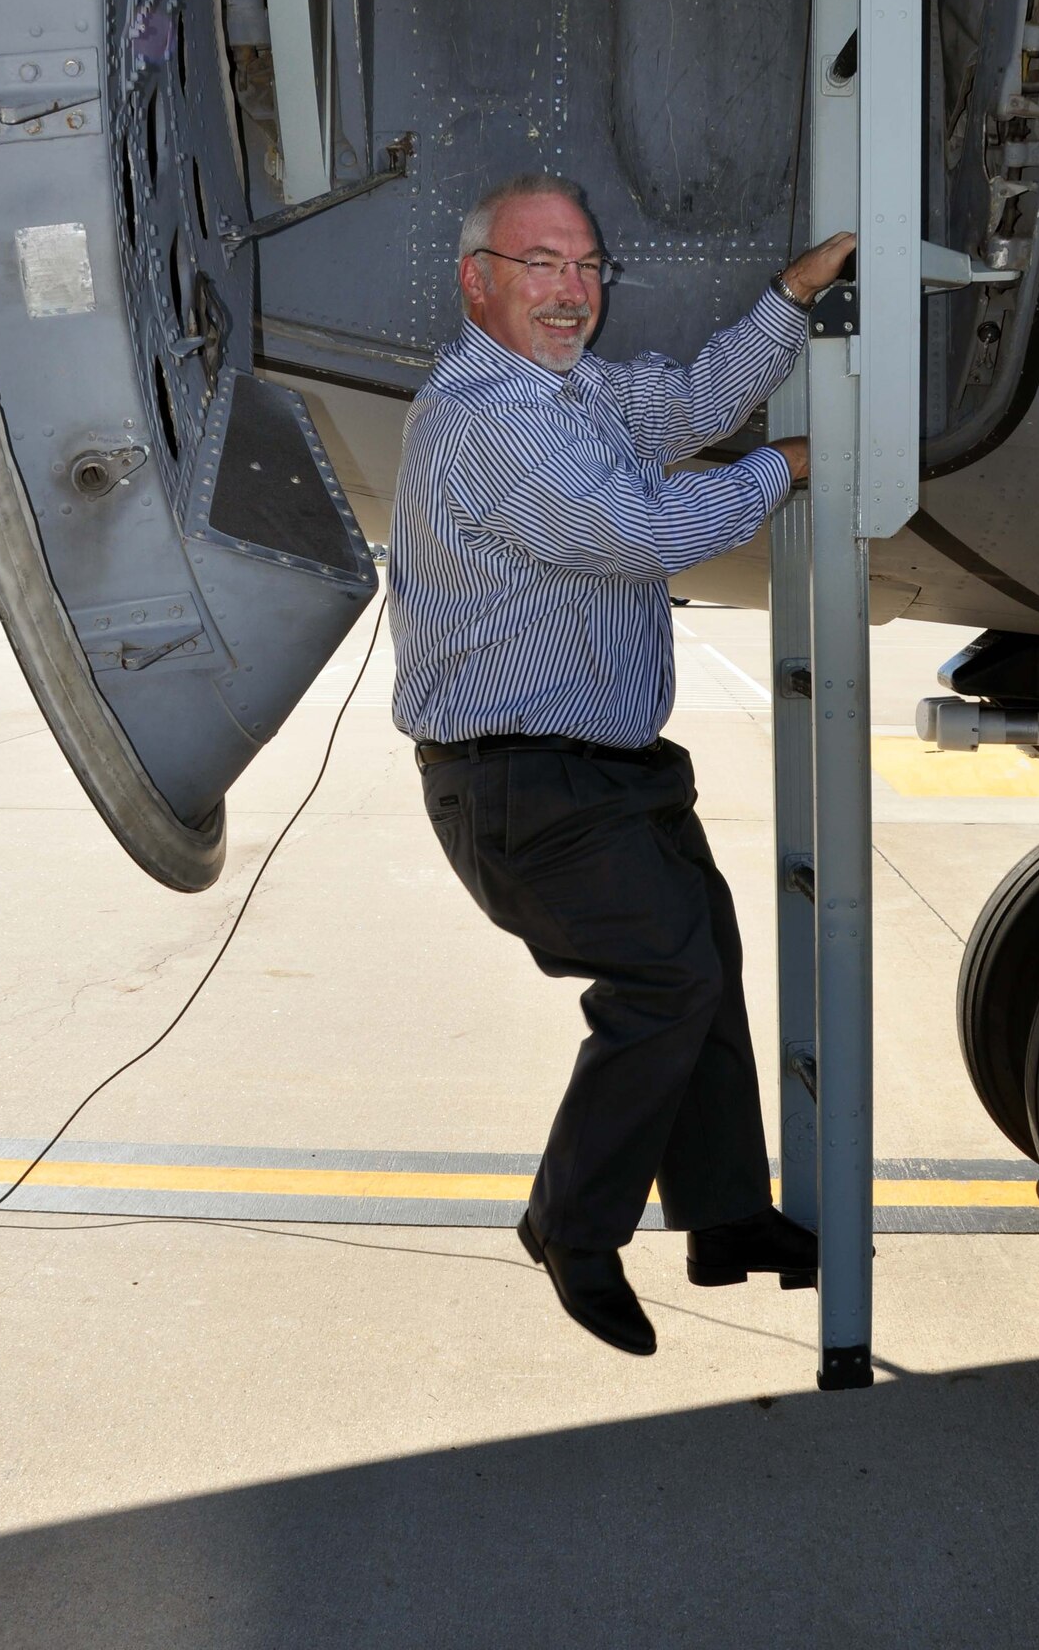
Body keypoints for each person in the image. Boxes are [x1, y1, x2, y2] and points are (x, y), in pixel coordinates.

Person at [388, 172, 855, 1355]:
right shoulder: (482, 417)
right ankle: (570, 1222)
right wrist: (786, 467)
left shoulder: (575, 389)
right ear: (477, 279)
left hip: (606, 769)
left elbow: (694, 400)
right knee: (662, 979)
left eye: (588, 266)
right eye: (541, 263)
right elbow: (643, 532)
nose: (572, 291)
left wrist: (790, 297)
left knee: (707, 951)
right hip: (520, 782)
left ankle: (725, 1216)